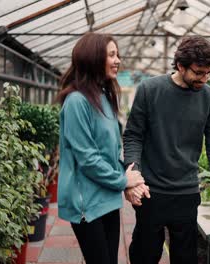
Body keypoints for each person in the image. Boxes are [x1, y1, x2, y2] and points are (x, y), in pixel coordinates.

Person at [123, 36, 210, 264]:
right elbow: (133, 135)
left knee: (185, 258)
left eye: (209, 73)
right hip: (149, 192)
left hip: (186, 193)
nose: (204, 79)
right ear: (180, 66)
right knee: (144, 255)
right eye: (198, 73)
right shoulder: (149, 89)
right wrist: (134, 177)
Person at [56, 33, 144, 264]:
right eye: (112, 55)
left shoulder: (104, 96)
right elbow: (88, 158)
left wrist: (124, 180)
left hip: (107, 197)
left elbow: (112, 151)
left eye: (118, 55)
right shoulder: (77, 102)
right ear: (93, 58)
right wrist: (124, 181)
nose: (118, 60)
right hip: (87, 203)